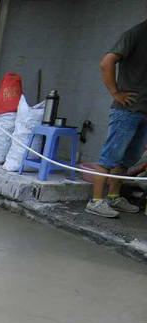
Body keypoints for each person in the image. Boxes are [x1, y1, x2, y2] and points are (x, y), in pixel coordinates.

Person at [87, 18, 147, 218]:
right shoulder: (136, 34)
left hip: (144, 111)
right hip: (127, 109)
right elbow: (106, 62)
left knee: (128, 158)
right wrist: (115, 93)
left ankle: (114, 196)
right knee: (111, 155)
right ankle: (95, 201)